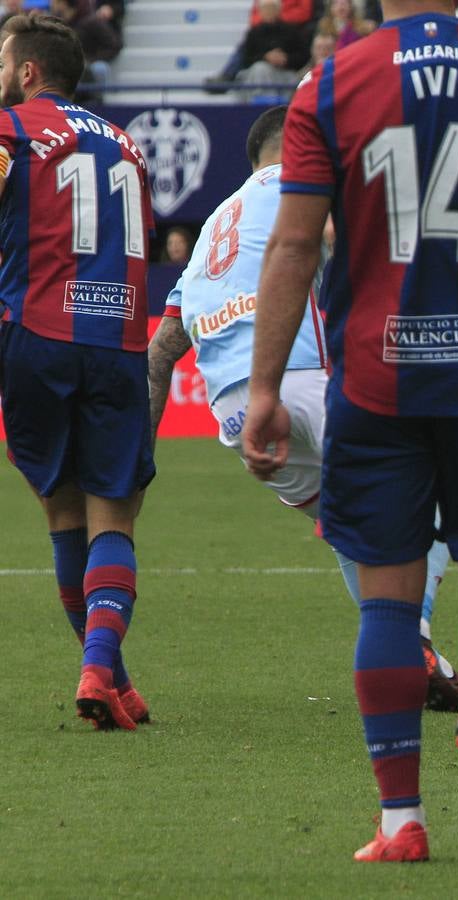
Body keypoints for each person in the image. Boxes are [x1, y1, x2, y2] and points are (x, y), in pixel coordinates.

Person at [242, 0, 458, 861]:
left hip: (372, 381)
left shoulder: (329, 83)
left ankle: (401, 823)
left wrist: (261, 386)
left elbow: (294, 248)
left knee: (388, 600)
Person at [146, 106, 458, 714]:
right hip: (301, 381)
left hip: (233, 411)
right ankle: (413, 640)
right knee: (445, 482)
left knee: (350, 531)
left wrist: (136, 455)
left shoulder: (216, 221)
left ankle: (423, 660)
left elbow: (161, 352)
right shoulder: (302, 185)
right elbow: (338, 242)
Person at [0, 13, 154, 732]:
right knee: (112, 517)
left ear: (27, 71)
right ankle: (107, 673)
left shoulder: (13, 128)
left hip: (36, 333)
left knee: (64, 516)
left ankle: (107, 673)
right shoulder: (127, 144)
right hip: (119, 337)